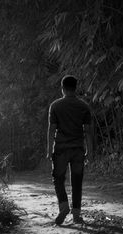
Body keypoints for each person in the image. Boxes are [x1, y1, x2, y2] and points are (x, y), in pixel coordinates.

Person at [46, 75, 92, 225]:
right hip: (78, 148)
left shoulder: (55, 106)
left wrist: (48, 149)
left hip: (60, 149)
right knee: (77, 181)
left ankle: (64, 206)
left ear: (62, 88)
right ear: (76, 88)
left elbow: (51, 129)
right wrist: (89, 151)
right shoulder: (83, 106)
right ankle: (76, 215)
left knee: (58, 178)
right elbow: (88, 131)